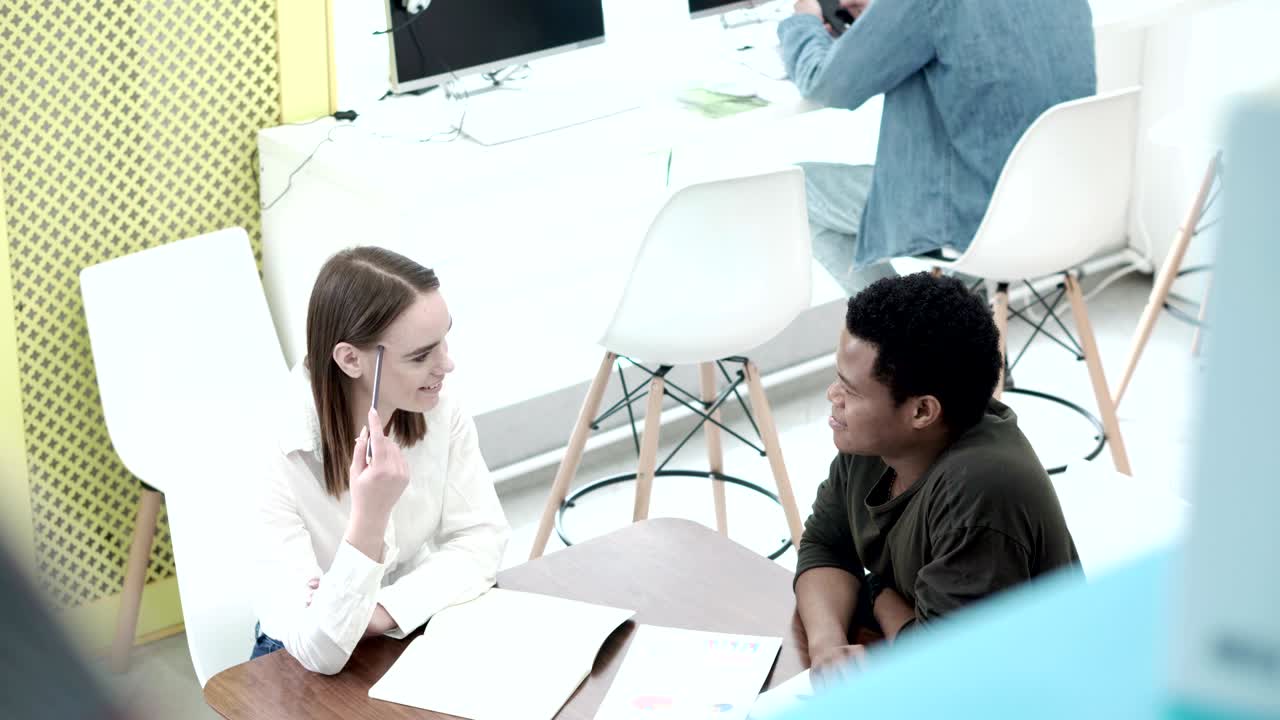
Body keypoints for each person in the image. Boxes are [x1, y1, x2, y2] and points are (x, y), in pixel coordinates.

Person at [796, 273, 1079, 686]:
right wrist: (826, 647)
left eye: (850, 390)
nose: (832, 396)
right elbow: (825, 546)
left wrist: (880, 595)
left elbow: (947, 667)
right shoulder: (874, 445)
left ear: (922, 412)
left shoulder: (982, 489)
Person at [251, 246, 510, 675]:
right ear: (351, 359)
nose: (447, 364)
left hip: (405, 628)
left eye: (444, 339)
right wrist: (368, 519)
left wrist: (381, 610)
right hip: (293, 666)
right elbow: (322, 650)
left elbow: (482, 541)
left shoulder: (438, 408)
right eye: (421, 355)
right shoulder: (275, 450)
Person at [779, 0, 1097, 277]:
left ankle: (897, 331)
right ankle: (944, 320)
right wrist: (882, 16)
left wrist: (804, 19)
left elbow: (825, 83)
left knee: (793, 192)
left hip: (979, 215)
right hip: (1064, 199)